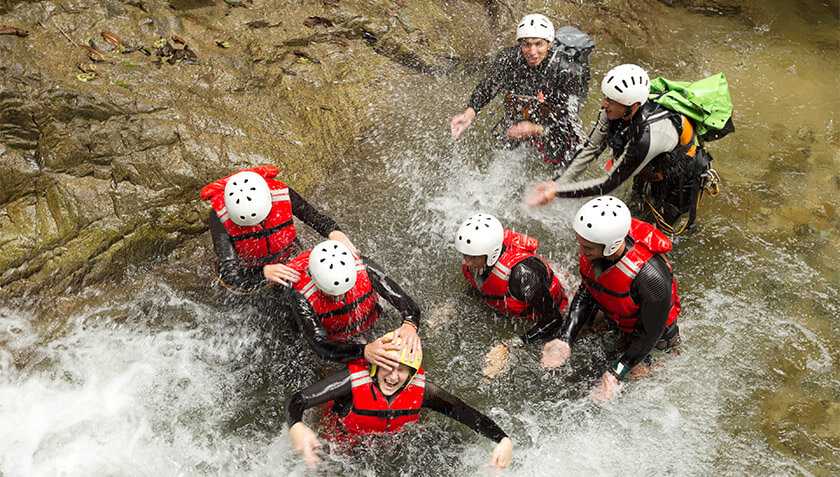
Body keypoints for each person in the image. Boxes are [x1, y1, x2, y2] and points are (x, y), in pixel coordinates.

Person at [527, 64, 713, 234]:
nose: (603, 104)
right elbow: (591, 148)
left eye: (611, 101)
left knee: (649, 235)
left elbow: (607, 184)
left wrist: (559, 193)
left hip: (679, 182)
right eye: (605, 97)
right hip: (649, 170)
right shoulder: (611, 110)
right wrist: (557, 183)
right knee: (632, 216)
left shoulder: (648, 135)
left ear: (633, 106)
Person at [285, 332, 514, 469]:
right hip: (342, 446)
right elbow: (298, 400)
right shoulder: (351, 383)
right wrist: (297, 426)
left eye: (403, 370)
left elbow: (466, 414)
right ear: (376, 363)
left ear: (412, 373)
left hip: (393, 441)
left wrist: (503, 440)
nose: (393, 377)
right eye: (388, 366)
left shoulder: (424, 392)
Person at [540, 196, 681, 401]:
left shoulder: (651, 277)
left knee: (609, 393)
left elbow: (652, 333)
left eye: (586, 248)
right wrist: (566, 338)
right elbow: (588, 289)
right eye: (580, 244)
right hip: (619, 316)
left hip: (653, 336)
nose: (580, 251)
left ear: (611, 246)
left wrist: (616, 372)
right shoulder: (596, 247)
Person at [200, 165, 357, 321]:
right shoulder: (218, 216)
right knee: (253, 318)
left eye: (262, 219)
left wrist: (333, 231)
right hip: (249, 272)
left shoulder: (281, 193)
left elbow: (314, 217)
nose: (259, 225)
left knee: (306, 306)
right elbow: (230, 273)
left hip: (288, 258)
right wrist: (263, 272)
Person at [450, 14, 587, 166]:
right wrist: (469, 113)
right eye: (526, 44)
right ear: (519, 43)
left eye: (539, 44)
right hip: (521, 116)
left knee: (560, 168)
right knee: (506, 161)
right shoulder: (508, 58)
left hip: (552, 125)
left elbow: (570, 119)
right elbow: (487, 87)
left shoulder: (567, 69)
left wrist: (535, 129)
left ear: (550, 43)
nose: (532, 51)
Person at [454, 213, 568, 373]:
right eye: (464, 255)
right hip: (515, 304)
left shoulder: (523, 275)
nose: (466, 262)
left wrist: (511, 346)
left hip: (554, 310)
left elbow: (554, 320)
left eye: (472, 257)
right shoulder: (479, 261)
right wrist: (453, 305)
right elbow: (481, 286)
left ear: (491, 255)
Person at [285, 240, 422, 372]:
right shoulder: (299, 294)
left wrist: (409, 324)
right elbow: (318, 344)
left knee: (416, 328)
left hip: (371, 320)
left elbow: (407, 304)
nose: (340, 298)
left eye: (345, 291)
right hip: (334, 342)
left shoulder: (364, 267)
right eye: (332, 294)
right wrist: (364, 351)